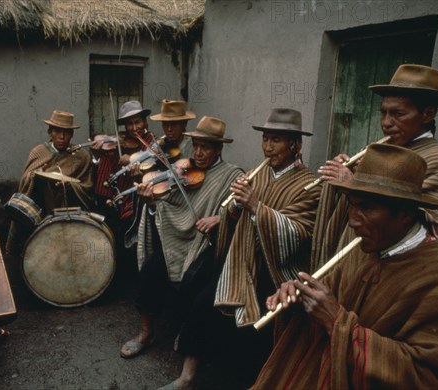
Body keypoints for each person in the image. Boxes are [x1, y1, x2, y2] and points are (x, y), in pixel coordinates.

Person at [252, 143, 438, 389]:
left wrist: (337, 322)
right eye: (350, 204)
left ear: (406, 214)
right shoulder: (363, 250)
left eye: (366, 208)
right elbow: (322, 310)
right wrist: (301, 300)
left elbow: (433, 376)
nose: (352, 220)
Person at [119, 117, 242, 375]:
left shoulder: (232, 174)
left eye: (206, 147)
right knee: (151, 269)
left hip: (208, 245)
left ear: (219, 149)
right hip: (180, 240)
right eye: (196, 145)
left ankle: (189, 344)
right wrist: (152, 202)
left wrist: (220, 218)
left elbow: (238, 211)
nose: (198, 152)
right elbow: (170, 204)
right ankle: (146, 333)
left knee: (197, 285)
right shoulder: (184, 169)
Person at [210, 108, 321, 385]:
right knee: (213, 310)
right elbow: (232, 222)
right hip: (244, 262)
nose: (268, 147)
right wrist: (234, 209)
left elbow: (299, 233)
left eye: (276, 140)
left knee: (256, 334)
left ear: (296, 145)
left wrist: (256, 207)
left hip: (279, 272)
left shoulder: (310, 184)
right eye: (265, 139)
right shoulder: (255, 174)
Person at [312, 64, 438, 270]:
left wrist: (350, 182)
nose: (386, 123)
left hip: (406, 267)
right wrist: (347, 172)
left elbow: (407, 213)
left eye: (398, 114)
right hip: (362, 258)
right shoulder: (380, 151)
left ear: (428, 114)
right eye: (383, 113)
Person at [5, 110, 93, 256]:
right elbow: (24, 182)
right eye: (57, 131)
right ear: (50, 132)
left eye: (66, 132)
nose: (62, 137)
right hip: (39, 209)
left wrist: (70, 187)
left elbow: (88, 187)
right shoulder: (39, 152)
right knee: (34, 253)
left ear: (72, 134)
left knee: (64, 254)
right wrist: (35, 176)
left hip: (68, 212)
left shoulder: (81, 156)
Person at [91, 101, 153, 251]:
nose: (134, 128)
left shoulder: (151, 141)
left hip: (137, 200)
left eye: (137, 122)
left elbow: (152, 162)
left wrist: (132, 159)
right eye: (129, 124)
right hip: (112, 198)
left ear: (144, 122)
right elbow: (100, 169)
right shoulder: (118, 142)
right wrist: (96, 156)